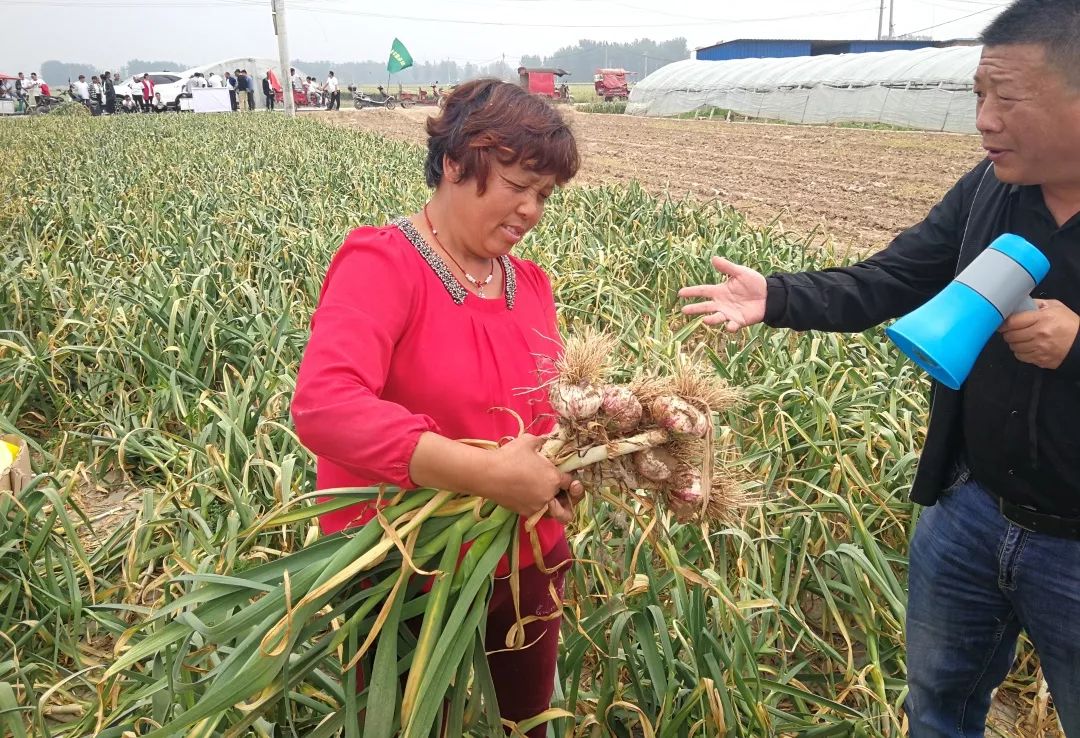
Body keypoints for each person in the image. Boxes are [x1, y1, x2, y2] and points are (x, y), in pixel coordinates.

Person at [679, 1, 1080, 735]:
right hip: (970, 517)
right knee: (937, 708)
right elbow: (896, 277)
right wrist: (775, 296)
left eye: (1007, 98)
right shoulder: (990, 190)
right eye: (977, 96)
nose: (985, 119)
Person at [291, 79, 581, 737]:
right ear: (455, 163)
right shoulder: (383, 263)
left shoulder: (531, 283)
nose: (532, 209)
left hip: (524, 560)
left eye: (545, 195)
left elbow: (539, 420)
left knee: (528, 723)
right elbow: (325, 407)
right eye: (517, 185)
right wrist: (485, 477)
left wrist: (573, 464)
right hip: (403, 567)